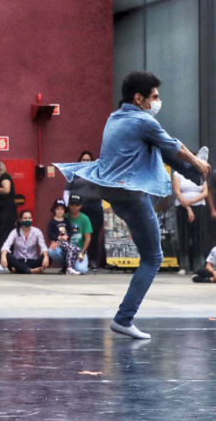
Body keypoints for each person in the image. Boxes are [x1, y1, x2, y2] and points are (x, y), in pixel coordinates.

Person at [56, 71, 210, 339]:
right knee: (153, 258)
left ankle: (195, 175)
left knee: (158, 146)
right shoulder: (142, 122)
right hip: (131, 193)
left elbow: (167, 141)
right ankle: (124, 318)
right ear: (140, 99)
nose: (158, 101)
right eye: (155, 97)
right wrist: (198, 162)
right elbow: (174, 146)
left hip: (114, 192)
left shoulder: (115, 117)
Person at [64, 151, 106, 270]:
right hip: (78, 206)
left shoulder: (96, 174)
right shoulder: (74, 173)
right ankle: (74, 259)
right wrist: (68, 205)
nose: (86, 162)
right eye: (84, 159)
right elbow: (66, 190)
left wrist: (102, 205)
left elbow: (103, 189)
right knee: (77, 233)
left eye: (88, 160)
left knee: (93, 235)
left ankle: (92, 261)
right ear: (79, 161)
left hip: (95, 206)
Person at [172, 169, 207, 274]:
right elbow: (177, 192)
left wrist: (191, 201)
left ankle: (199, 266)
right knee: (184, 235)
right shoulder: (177, 173)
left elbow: (205, 192)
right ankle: (183, 265)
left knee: (198, 236)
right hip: (182, 207)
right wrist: (188, 207)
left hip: (199, 206)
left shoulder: (201, 172)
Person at [64, 195, 91, 273]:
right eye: (72, 204)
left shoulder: (85, 218)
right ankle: (64, 265)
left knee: (82, 270)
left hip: (79, 250)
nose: (74, 207)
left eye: (77, 205)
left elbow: (88, 238)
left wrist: (83, 252)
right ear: (68, 204)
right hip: (66, 249)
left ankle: (73, 265)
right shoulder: (64, 217)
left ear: (81, 206)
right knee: (53, 251)